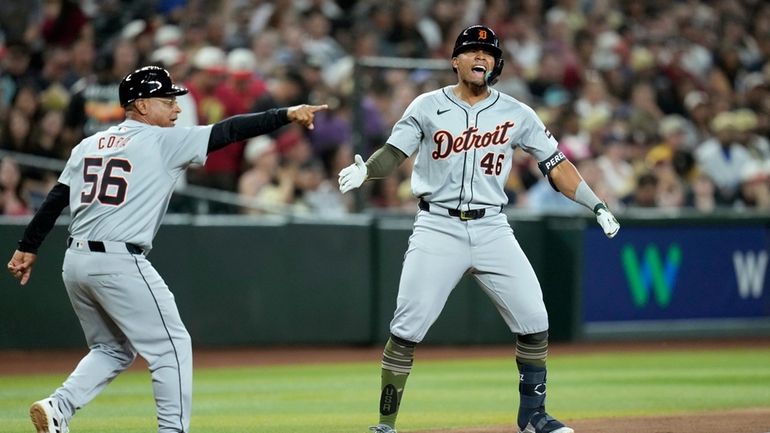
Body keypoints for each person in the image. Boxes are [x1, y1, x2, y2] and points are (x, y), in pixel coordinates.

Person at [7, 65, 326, 433]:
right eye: (166, 101)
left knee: (113, 350)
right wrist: (284, 114)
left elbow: (55, 200)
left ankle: (58, 407)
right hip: (117, 261)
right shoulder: (161, 141)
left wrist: (27, 247)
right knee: (172, 346)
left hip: (75, 263)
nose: (176, 109)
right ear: (141, 106)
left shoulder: (88, 145)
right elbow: (230, 130)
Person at [338, 25, 619, 433]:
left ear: (496, 64)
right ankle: (385, 424)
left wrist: (596, 204)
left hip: (492, 227)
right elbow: (394, 153)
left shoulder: (517, 113)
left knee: (535, 320)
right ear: (456, 61)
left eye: (487, 52)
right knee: (406, 328)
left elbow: (556, 165)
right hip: (437, 225)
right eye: (471, 50)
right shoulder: (426, 105)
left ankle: (533, 416)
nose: (480, 57)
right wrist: (367, 171)